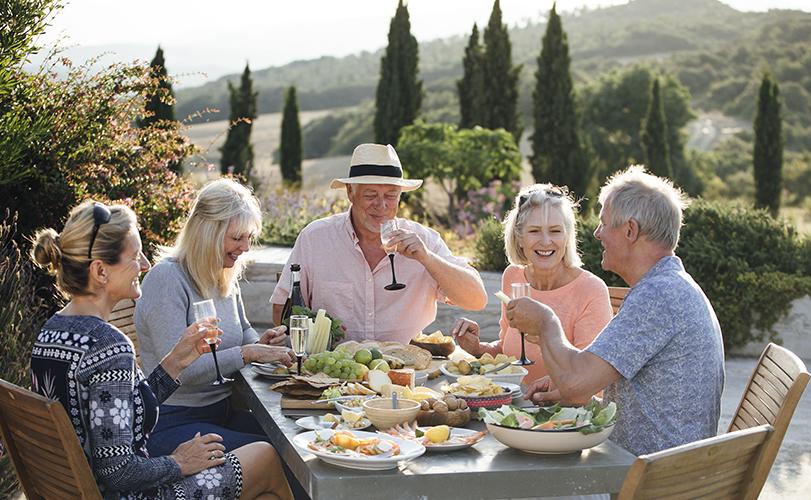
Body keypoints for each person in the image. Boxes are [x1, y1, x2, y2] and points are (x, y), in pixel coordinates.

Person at [30, 200, 293, 500]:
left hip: (84, 490)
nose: (144, 264)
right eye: (134, 256)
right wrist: (179, 462)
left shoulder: (50, 332)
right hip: (133, 494)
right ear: (100, 271)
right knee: (266, 457)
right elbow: (118, 472)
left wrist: (176, 362)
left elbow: (120, 415)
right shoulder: (109, 346)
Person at [508, 165, 725, 457]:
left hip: (648, 477)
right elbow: (624, 396)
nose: (597, 234)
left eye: (604, 224)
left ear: (630, 231)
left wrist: (546, 321)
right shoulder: (667, 286)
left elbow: (574, 382)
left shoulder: (658, 296)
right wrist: (573, 393)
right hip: (658, 464)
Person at [135, 178, 297, 457]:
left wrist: (262, 344)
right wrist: (247, 353)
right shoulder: (167, 280)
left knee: (298, 439)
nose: (246, 247)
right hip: (171, 422)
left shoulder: (221, 274)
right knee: (280, 455)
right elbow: (181, 371)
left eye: (249, 237)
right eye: (237, 238)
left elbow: (242, 329)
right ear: (206, 233)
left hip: (219, 413)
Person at [270, 143, 488, 344]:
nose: (382, 205)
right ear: (350, 193)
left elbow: (477, 300)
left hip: (409, 374)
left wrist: (427, 258)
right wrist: (321, 329)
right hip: (333, 373)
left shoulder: (425, 240)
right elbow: (281, 312)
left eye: (391, 195)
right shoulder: (315, 238)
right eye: (371, 195)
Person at [450, 184, 613, 385]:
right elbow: (507, 352)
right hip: (510, 405)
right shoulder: (513, 276)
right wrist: (478, 349)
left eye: (555, 231)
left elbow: (590, 379)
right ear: (519, 237)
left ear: (568, 236)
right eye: (535, 231)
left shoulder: (591, 291)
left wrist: (546, 336)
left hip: (562, 412)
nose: (545, 242)